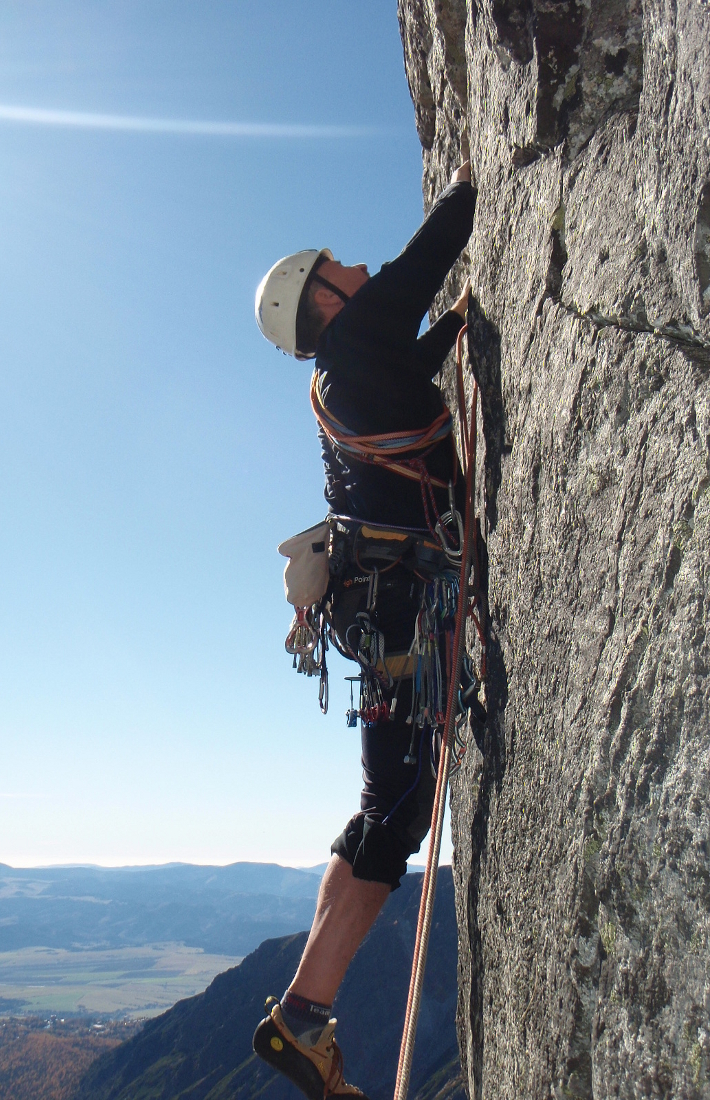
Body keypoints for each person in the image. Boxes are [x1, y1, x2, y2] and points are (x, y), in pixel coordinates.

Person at [251, 154, 476, 1100]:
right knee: (401, 811)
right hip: (406, 617)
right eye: (341, 265)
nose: (361, 266)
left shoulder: (341, 372)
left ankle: (302, 1011)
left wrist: (454, 331)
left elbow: (405, 370)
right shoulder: (357, 339)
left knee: (382, 806)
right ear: (327, 300)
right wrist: (475, 173)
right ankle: (302, 1015)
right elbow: (442, 238)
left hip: (382, 618)